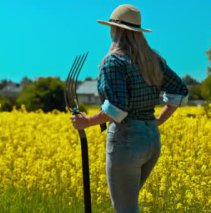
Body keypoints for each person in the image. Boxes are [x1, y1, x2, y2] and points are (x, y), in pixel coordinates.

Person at [70, 4, 189, 213]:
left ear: (116, 30)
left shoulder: (113, 62)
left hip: (127, 141)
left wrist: (86, 122)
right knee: (129, 205)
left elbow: (117, 108)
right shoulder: (153, 60)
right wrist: (158, 120)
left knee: (126, 209)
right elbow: (180, 91)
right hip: (151, 139)